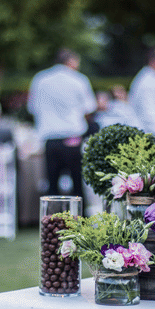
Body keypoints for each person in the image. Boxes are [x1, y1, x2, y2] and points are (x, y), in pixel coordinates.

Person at [27, 48, 97, 198]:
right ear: (71, 61)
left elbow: (32, 108)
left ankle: (52, 219)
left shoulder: (40, 79)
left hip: (50, 139)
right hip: (72, 137)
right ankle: (78, 220)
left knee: (52, 185)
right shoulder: (78, 79)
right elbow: (89, 108)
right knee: (77, 185)